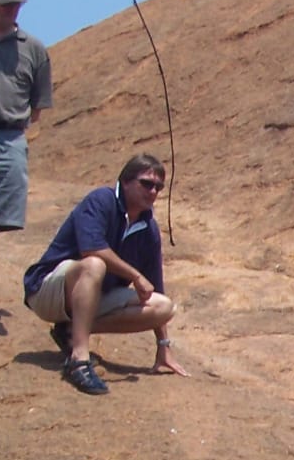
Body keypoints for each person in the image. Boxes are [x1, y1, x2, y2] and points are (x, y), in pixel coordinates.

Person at [22, 153, 182, 394]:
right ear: (125, 181)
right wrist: (136, 276)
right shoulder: (101, 200)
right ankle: (79, 360)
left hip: (90, 300)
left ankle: (69, 331)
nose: (153, 192)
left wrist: (163, 346)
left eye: (158, 187)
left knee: (164, 307)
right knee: (94, 264)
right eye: (146, 184)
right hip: (48, 291)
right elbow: (92, 248)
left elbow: (155, 287)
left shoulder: (148, 228)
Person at [0, 0, 51, 268]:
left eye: (16, 3)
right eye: (4, 3)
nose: (11, 8)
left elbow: (38, 106)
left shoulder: (33, 49)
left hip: (11, 137)